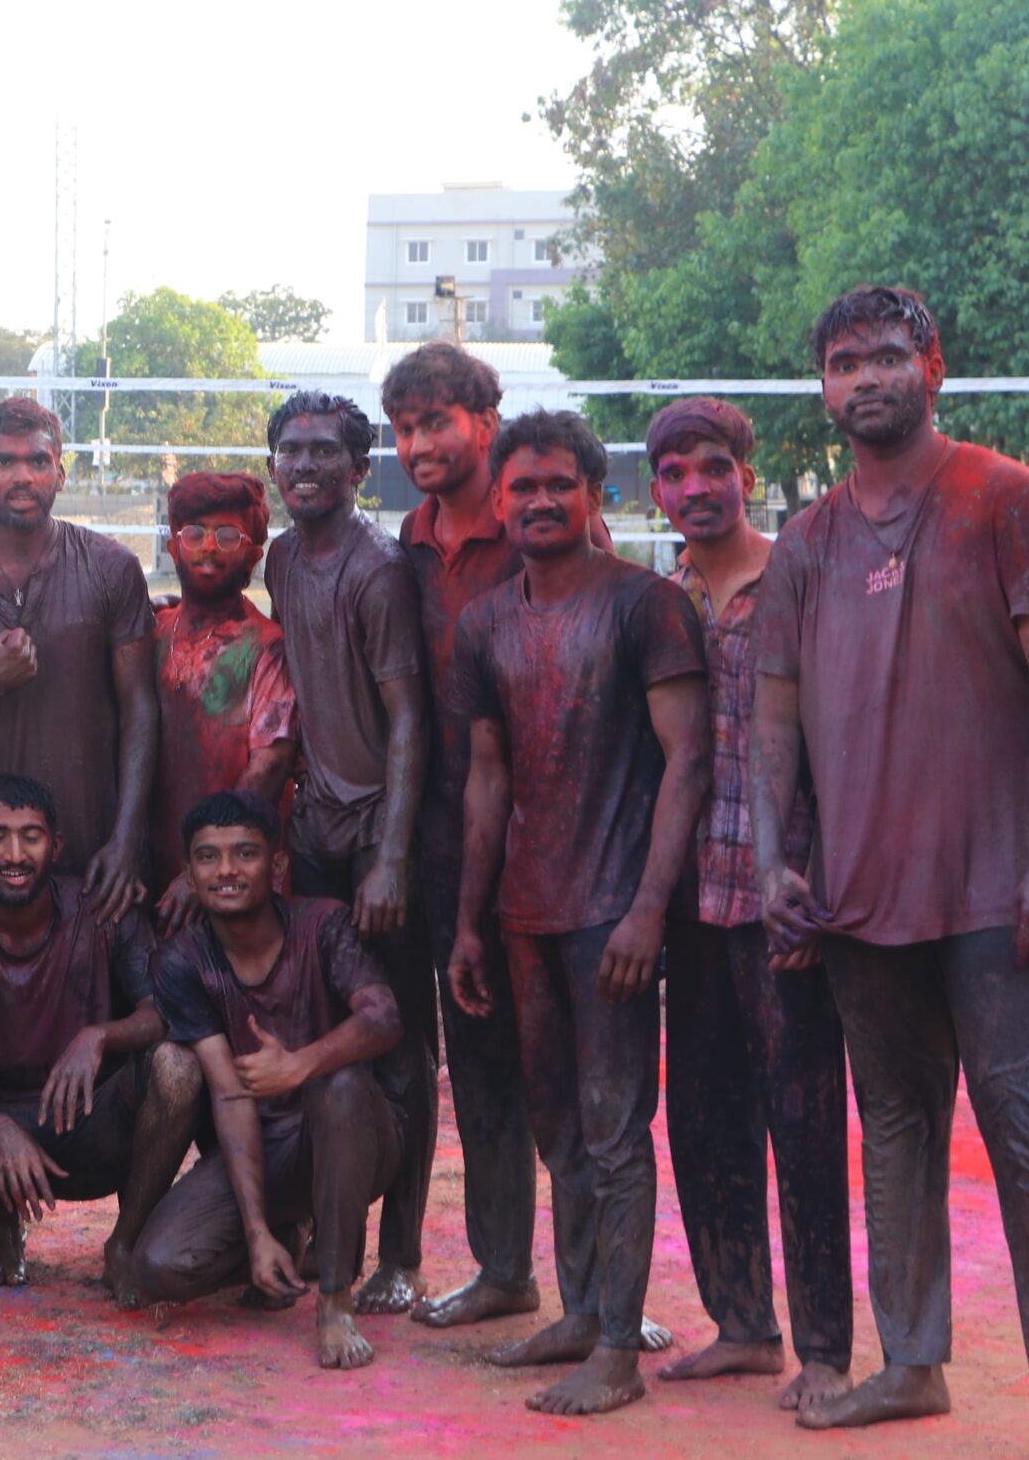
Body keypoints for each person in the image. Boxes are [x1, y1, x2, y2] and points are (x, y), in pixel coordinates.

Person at [755, 286, 1029, 1458]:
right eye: (842, 363)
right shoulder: (805, 543)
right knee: (896, 1133)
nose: (864, 378)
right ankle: (910, 1365)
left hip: (1004, 901)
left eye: (883, 356)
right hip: (863, 901)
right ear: (822, 387)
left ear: (933, 365)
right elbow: (773, 717)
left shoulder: (1005, 499)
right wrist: (773, 860)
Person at [444, 409, 710, 1418]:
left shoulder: (647, 605)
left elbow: (688, 761)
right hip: (526, 909)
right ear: (498, 501)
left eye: (561, 484)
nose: (541, 501)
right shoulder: (484, 624)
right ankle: (578, 1309)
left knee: (614, 1127)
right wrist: (470, 919)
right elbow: (486, 777)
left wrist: (647, 911)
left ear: (596, 494)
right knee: (555, 1120)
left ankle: (616, 1347)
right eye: (523, 487)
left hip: (612, 912)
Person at [380, 340, 605, 1330]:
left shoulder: (538, 526)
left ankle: (605, 1294)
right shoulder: (410, 536)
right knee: (476, 1062)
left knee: (571, 1069)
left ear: (484, 421)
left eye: (437, 422)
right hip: (446, 831)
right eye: (405, 428)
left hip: (555, 829)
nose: (420, 444)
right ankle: (503, 1268)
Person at [642, 396, 853, 1410]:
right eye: (675, 473)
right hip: (692, 896)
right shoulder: (661, 599)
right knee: (703, 1116)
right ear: (655, 492)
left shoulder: (799, 580)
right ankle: (742, 1326)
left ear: (746, 475)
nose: (696, 488)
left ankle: (825, 1350)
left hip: (786, 894)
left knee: (803, 1125)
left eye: (713, 468)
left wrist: (815, 874)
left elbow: (842, 737)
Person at [259, 392, 434, 1315]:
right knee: (326, 1036)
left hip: (377, 831)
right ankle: (337, 1234)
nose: (306, 464)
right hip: (317, 826)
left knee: (398, 1039)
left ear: (360, 469)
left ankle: (401, 1251)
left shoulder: (378, 570)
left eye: (326, 450)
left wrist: (393, 854)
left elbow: (408, 717)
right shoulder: (283, 558)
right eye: (291, 449)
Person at [132, 791, 409, 1372]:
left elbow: (384, 1016)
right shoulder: (182, 960)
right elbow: (229, 1093)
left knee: (338, 1086)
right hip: (267, 1150)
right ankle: (284, 1234)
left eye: (245, 853)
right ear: (189, 876)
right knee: (158, 1266)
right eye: (208, 857)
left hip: (356, 1138)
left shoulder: (324, 923)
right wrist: (256, 1231)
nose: (226, 870)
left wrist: (301, 1063)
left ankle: (335, 1301)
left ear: (277, 865)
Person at [0, 774, 201, 1300]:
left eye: (31, 837)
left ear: (56, 846)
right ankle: (2, 1218)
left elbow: (164, 1012)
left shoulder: (103, 912)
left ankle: (125, 1242)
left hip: (97, 1118)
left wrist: (99, 1036)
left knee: (179, 1066)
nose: (15, 854)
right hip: (5, 1122)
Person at [0, 395, 157, 920]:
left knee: (101, 968)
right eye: (4, 461)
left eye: (38, 461)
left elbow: (140, 709)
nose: (23, 476)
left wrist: (128, 839)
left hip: (96, 845)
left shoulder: (111, 568)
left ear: (60, 474)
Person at [147, 472, 298, 924]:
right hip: (154, 871)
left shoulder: (268, 647)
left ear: (253, 556)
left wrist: (204, 867)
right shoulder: (152, 632)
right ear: (174, 547)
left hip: (238, 879)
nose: (209, 548)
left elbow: (270, 766)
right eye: (194, 534)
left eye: (228, 536)